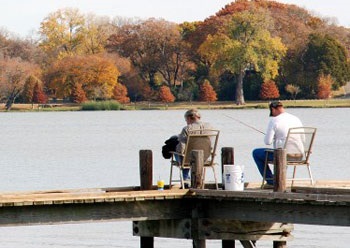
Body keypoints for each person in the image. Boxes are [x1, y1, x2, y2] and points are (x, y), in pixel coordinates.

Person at [252, 101, 303, 186]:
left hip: (282, 156)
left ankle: (271, 181)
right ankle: (278, 178)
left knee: (256, 153)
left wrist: (274, 137)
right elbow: (303, 139)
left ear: (273, 109)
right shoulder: (296, 119)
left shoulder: (274, 120)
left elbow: (267, 142)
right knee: (282, 150)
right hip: (299, 155)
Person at [176, 108, 213, 181]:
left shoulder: (187, 129)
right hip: (205, 158)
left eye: (186, 120)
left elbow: (181, 148)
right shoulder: (210, 127)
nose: (186, 122)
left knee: (179, 153)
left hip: (188, 159)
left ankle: (185, 178)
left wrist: (176, 149)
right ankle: (197, 179)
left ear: (189, 118)